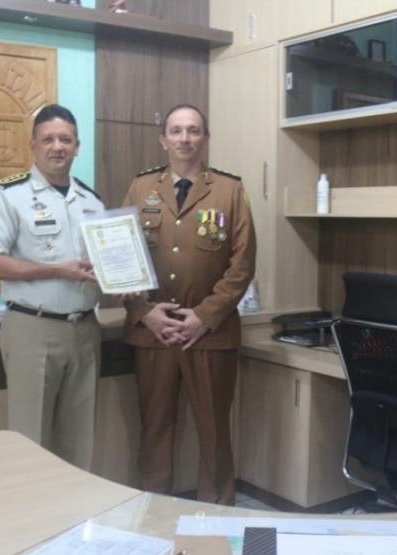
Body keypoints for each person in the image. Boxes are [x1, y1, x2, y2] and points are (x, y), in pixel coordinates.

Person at [121, 104, 257, 504]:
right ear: (163, 140)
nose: (185, 138)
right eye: (176, 131)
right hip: (154, 333)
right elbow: (121, 258)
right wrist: (145, 313)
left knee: (214, 433)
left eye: (193, 131)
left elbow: (243, 263)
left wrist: (204, 316)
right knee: (155, 430)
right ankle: (153, 515)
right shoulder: (139, 189)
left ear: (206, 139)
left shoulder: (231, 191)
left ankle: (218, 520)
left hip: (210, 335)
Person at [0, 104, 103, 470]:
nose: (57, 147)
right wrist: (57, 271)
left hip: (85, 329)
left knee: (81, 439)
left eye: (65, 139)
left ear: (78, 146)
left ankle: (77, 522)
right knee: (31, 441)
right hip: (34, 327)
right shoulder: (9, 194)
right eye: (48, 139)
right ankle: (34, 523)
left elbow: (104, 264)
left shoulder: (91, 201)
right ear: (33, 145)